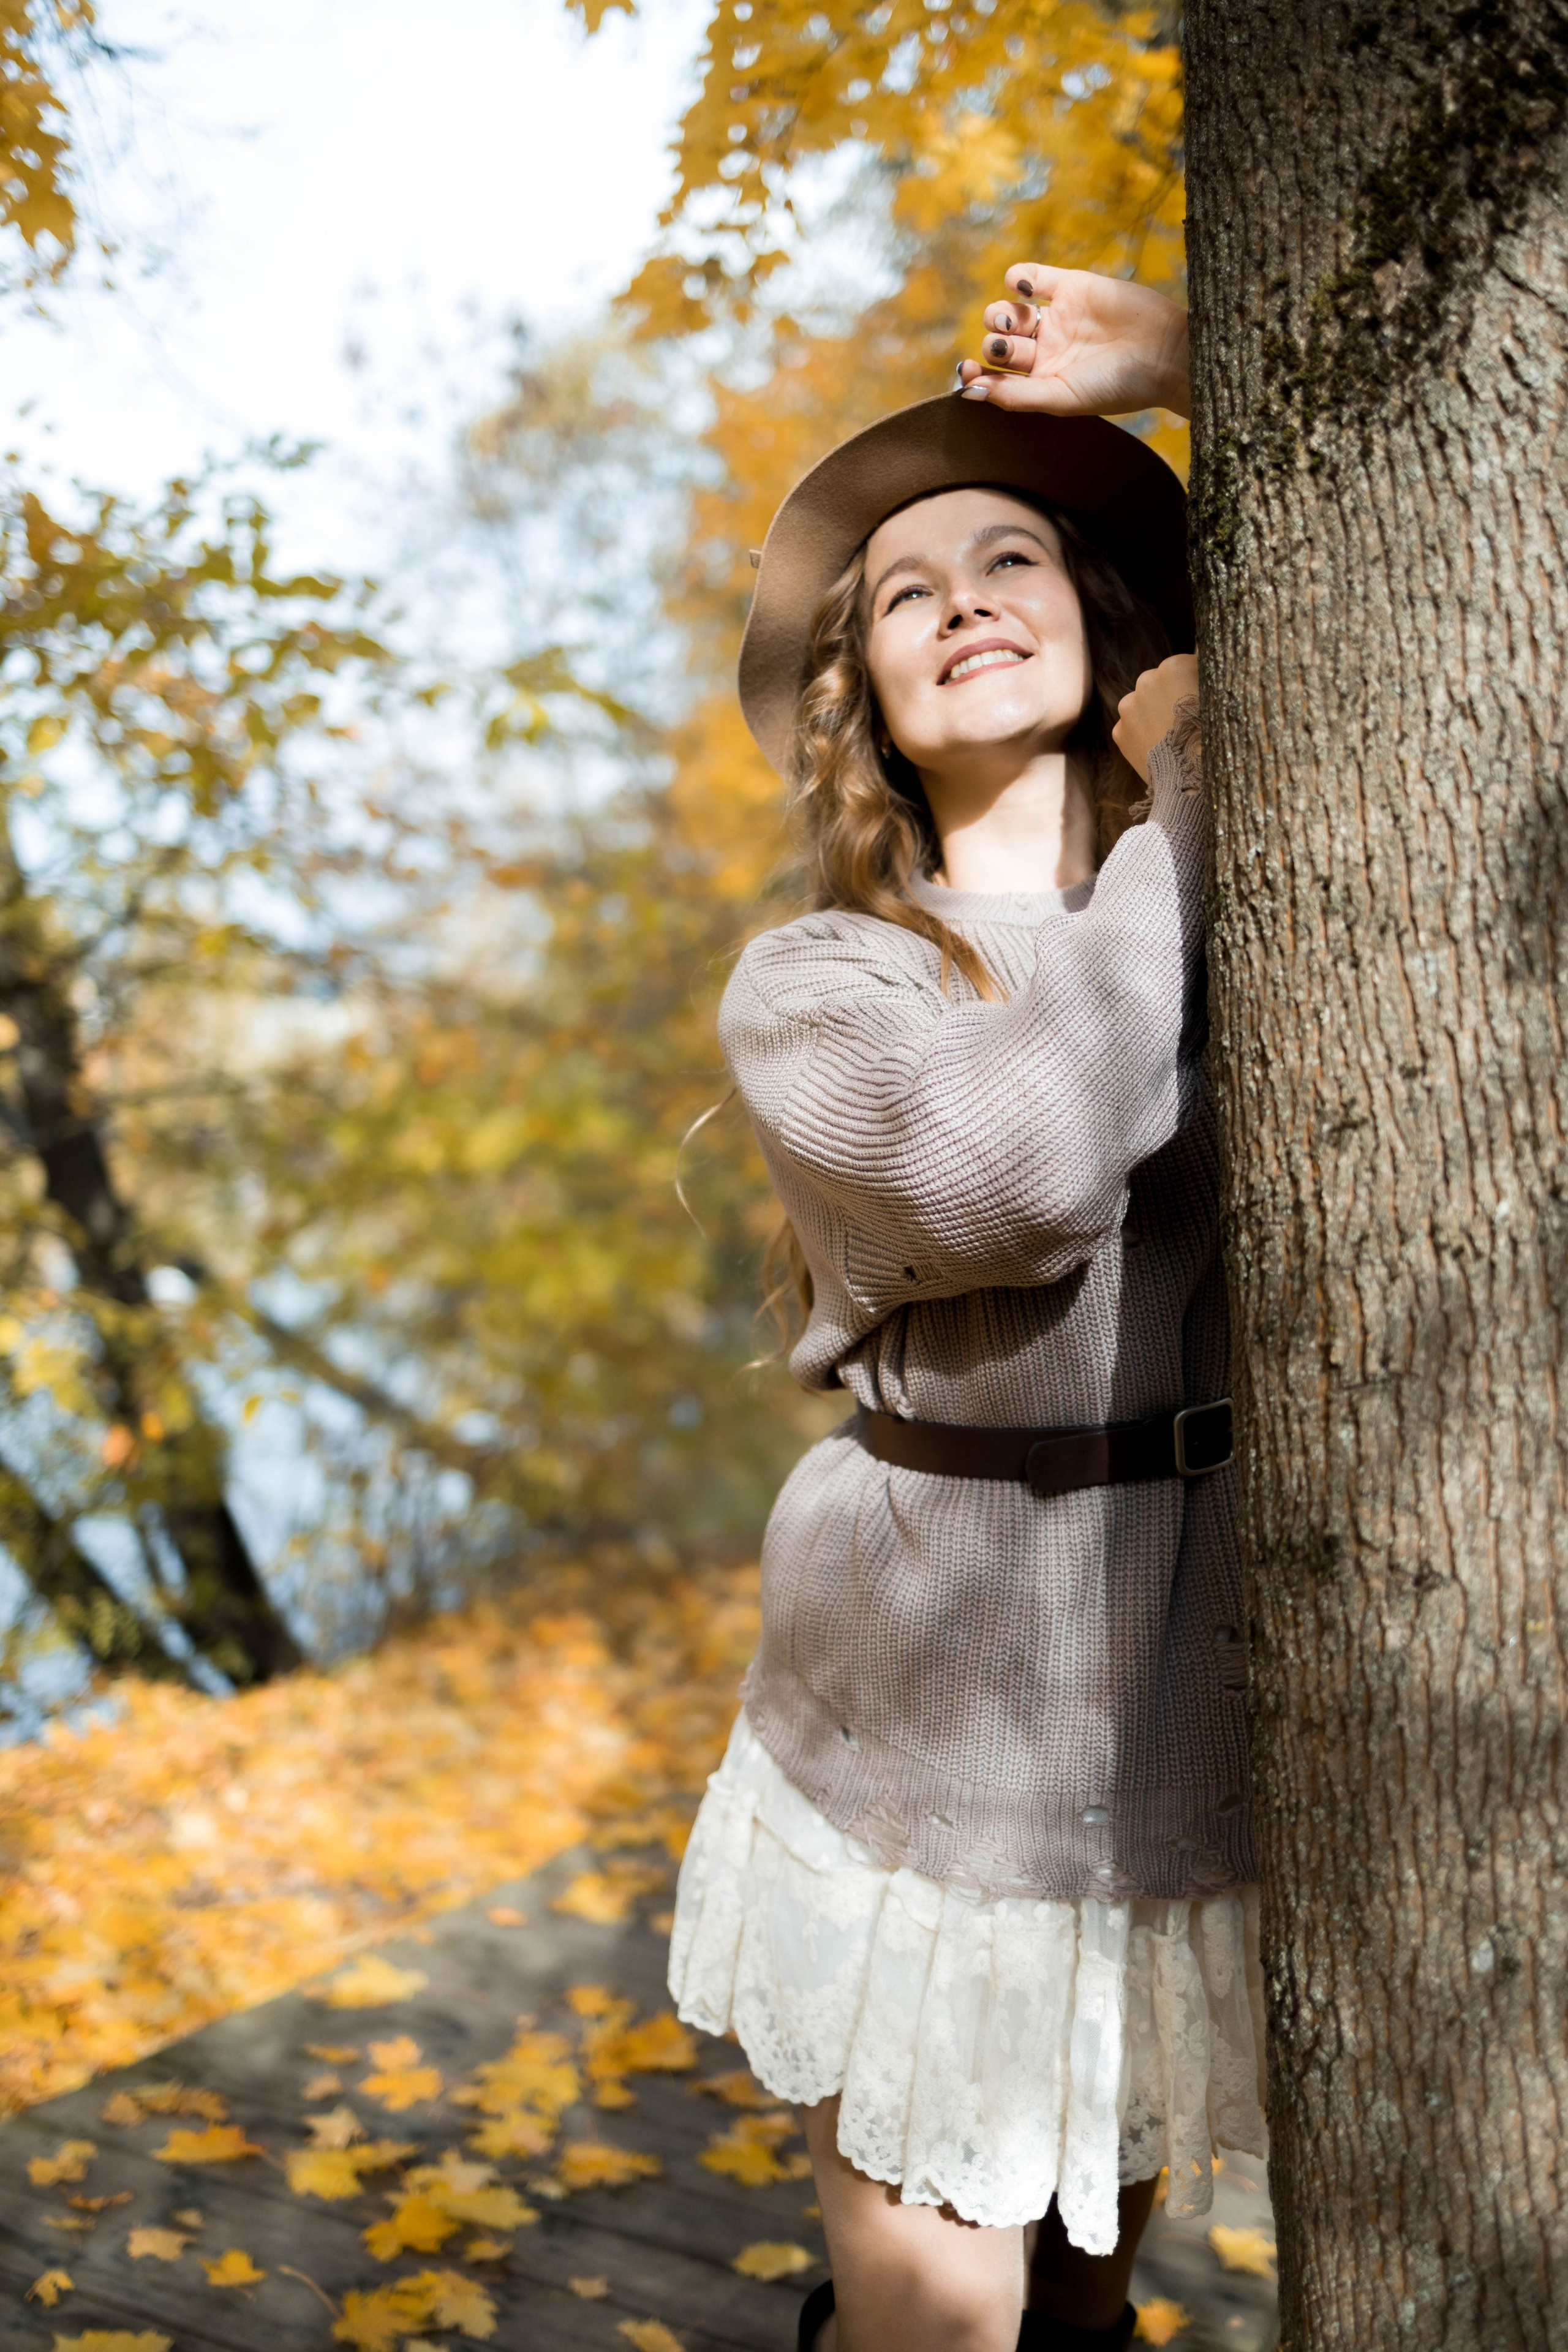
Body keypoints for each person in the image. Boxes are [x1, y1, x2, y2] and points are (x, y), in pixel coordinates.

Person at [668, 267, 1265, 2352]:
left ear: (1110, 626)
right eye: (907, 594)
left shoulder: (1247, 902)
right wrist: (1174, 811)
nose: (966, 594)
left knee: (1094, 2281)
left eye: (1014, 553)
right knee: (950, 2331)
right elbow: (1018, 1166)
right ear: (870, 706)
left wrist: (1194, 358)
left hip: (1183, 1688)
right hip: (928, 1712)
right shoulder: (822, 990)